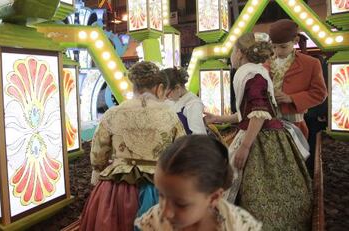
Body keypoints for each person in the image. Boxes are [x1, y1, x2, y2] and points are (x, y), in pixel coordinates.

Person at [204, 32, 312, 229]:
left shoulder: (250, 74)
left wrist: (245, 146)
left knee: (259, 192)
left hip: (260, 140)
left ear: (239, 53)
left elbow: (259, 112)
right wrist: (217, 118)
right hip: (265, 134)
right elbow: (248, 113)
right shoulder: (256, 71)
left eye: (232, 51)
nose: (231, 56)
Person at [79, 61, 186, 231]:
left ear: (133, 86)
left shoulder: (113, 113)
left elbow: (98, 153)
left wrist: (98, 170)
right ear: (159, 87)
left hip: (117, 189)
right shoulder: (169, 115)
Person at [135, 135, 262, 231]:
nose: (165, 212)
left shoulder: (239, 225)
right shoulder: (153, 221)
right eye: (161, 195)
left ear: (214, 197)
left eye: (181, 204)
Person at [266, 19, 327, 139]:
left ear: (295, 41)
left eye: (283, 47)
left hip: (295, 125)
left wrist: (291, 98)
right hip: (266, 125)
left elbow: (320, 93)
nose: (278, 52)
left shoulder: (310, 63)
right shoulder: (265, 64)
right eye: (274, 47)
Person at [161, 67, 207, 135]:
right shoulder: (172, 99)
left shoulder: (193, 104)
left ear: (177, 88)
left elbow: (199, 136)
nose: (165, 98)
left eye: (167, 94)